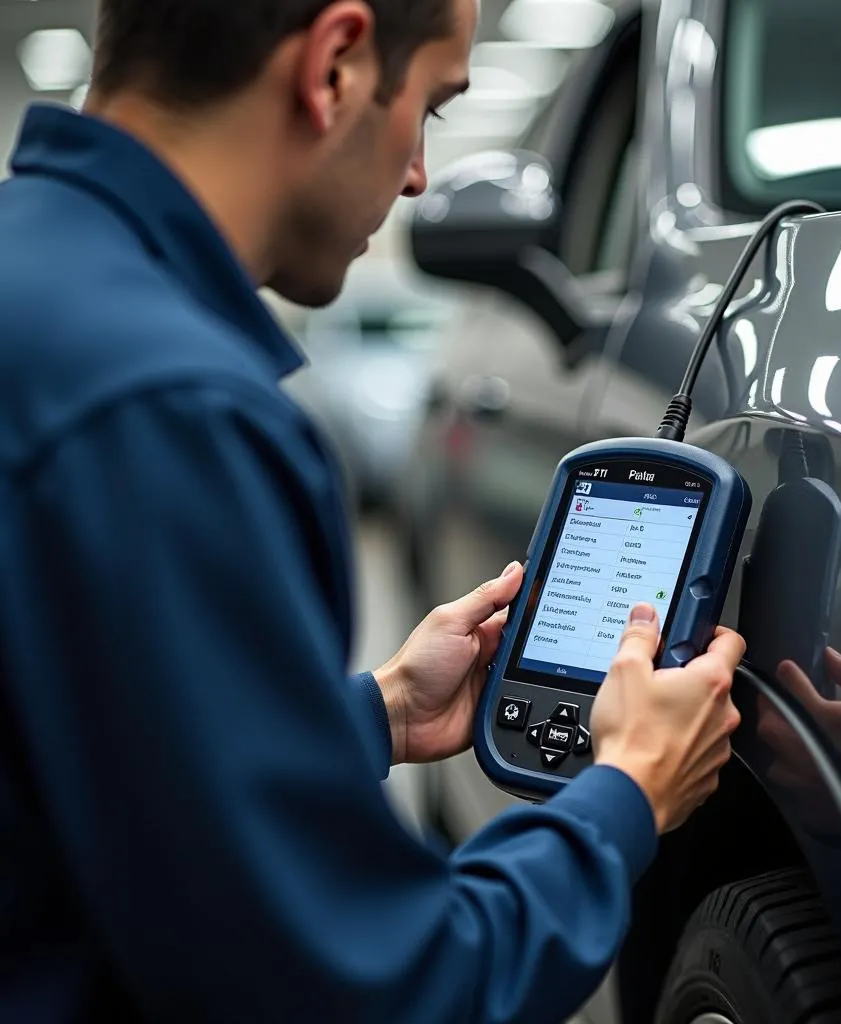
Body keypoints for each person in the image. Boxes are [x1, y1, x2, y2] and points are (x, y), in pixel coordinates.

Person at [0, 1, 744, 1021]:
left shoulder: (36, 286)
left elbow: (83, 761)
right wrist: (624, 793)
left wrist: (374, 713)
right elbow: (372, 988)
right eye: (432, 109)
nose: (416, 180)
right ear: (337, 65)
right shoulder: (173, 409)